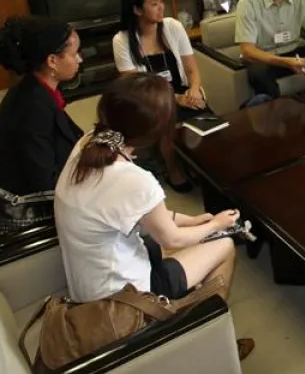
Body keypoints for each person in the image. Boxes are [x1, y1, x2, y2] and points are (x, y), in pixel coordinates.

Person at [54, 74, 253, 359]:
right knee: (223, 245)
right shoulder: (134, 179)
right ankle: (210, 339)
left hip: (89, 282)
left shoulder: (88, 145)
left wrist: (194, 219)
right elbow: (170, 235)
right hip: (122, 298)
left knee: (190, 240)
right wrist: (217, 224)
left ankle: (187, 316)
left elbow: (146, 214)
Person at [0, 15, 85, 236]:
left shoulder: (36, 91)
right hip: (22, 213)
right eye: (74, 53)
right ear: (52, 61)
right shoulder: (32, 108)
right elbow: (45, 182)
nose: (80, 59)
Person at [113, 0, 205, 189]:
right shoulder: (122, 40)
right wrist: (176, 99)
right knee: (168, 121)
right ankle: (173, 171)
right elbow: (135, 87)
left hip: (180, 90)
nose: (161, 7)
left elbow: (191, 69)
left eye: (161, 2)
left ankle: (205, 168)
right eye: (154, 4)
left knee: (207, 119)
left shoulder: (173, 26)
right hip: (148, 99)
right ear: (137, 9)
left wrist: (194, 89)